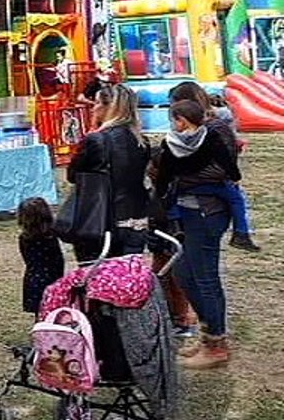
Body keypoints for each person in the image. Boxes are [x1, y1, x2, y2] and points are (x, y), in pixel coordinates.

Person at [154, 99, 240, 369]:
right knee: (183, 274)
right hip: (189, 213)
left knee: (205, 278)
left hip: (207, 213)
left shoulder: (214, 136)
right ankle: (207, 335)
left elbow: (225, 173)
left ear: (182, 118)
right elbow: (165, 178)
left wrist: (182, 180)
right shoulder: (175, 143)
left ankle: (216, 344)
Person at [65, 84, 151, 261]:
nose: (94, 108)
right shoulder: (142, 142)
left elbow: (73, 175)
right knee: (128, 275)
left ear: (107, 107)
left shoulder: (97, 140)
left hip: (102, 218)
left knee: (100, 277)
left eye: (97, 103)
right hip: (136, 215)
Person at [168, 82, 259, 252]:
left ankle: (241, 232)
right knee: (235, 197)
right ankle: (242, 232)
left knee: (235, 196)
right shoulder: (205, 126)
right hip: (203, 186)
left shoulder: (210, 127)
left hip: (203, 193)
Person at [17, 197, 64, 317]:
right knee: (54, 308)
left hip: (34, 277)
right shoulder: (51, 235)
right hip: (52, 277)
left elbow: (27, 260)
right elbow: (57, 259)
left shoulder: (24, 238)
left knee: (40, 311)